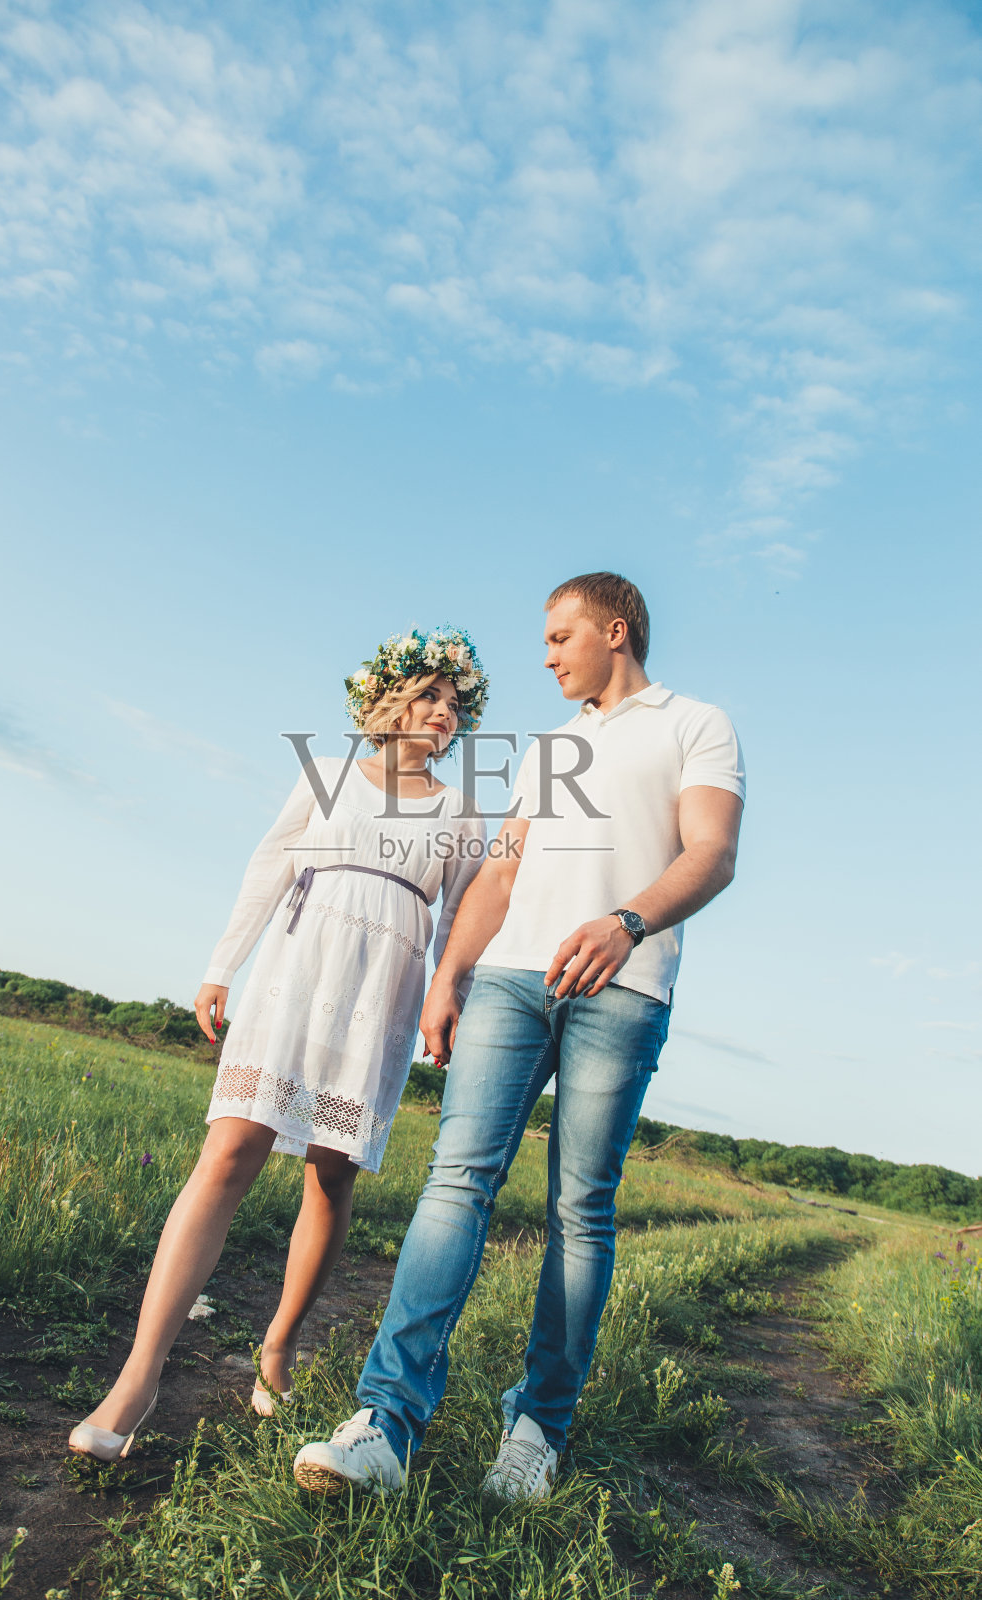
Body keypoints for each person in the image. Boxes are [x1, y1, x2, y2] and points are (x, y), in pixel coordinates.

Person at [293, 571, 745, 1500]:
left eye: (557, 638)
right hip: (510, 982)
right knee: (456, 1180)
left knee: (581, 1211)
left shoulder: (693, 723)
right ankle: (386, 1420)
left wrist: (627, 923)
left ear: (613, 631)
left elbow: (711, 853)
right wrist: (451, 974)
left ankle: (536, 1430)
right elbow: (500, 875)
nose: (543, 656)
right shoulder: (549, 747)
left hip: (623, 986)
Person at [68, 628, 489, 1463]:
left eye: (454, 703)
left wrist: (452, 1003)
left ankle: (279, 1343)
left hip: (382, 989)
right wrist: (221, 965)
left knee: (330, 1176)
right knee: (227, 1153)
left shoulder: (459, 810)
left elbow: (461, 923)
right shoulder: (328, 779)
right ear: (389, 700)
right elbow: (267, 868)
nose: (443, 713)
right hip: (295, 968)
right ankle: (138, 1378)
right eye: (429, 695)